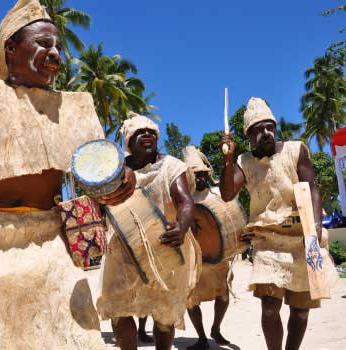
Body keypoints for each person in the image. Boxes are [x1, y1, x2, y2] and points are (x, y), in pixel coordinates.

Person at [0, 0, 135, 348]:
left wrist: (122, 179)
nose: (54, 52)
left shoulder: (72, 109)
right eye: (43, 43)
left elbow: (101, 168)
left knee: (76, 338)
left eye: (57, 45)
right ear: (11, 47)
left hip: (53, 243)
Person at [219, 97, 337, 350]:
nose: (266, 133)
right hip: (267, 239)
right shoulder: (244, 162)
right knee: (270, 307)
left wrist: (315, 227)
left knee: (301, 310)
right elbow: (228, 194)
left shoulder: (296, 150)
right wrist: (227, 160)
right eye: (258, 129)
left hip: (303, 235)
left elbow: (312, 188)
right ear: (249, 136)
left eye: (269, 127)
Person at [97, 112, 201, 350]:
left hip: (166, 246)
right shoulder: (115, 170)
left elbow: (185, 202)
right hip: (123, 251)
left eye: (151, 132)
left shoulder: (172, 166)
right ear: (128, 143)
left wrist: (182, 226)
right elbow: (101, 203)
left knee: (164, 315)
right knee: (120, 311)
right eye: (139, 133)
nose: (146, 135)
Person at [183, 145, 232, 350]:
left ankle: (216, 329)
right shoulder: (182, 200)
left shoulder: (218, 194)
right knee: (191, 300)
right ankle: (202, 338)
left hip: (219, 256)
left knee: (223, 295)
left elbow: (231, 220)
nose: (200, 178)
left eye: (203, 173)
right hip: (193, 259)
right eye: (195, 175)